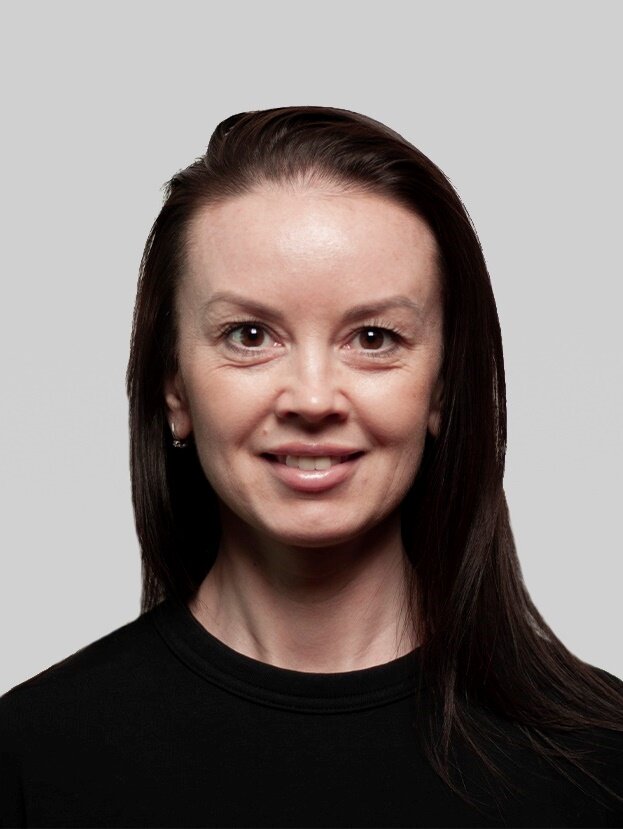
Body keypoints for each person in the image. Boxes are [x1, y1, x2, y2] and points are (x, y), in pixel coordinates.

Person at [1, 106, 622, 829]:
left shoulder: (602, 764)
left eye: (373, 337)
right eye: (249, 335)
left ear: (441, 387)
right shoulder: (31, 759)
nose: (314, 399)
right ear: (175, 389)